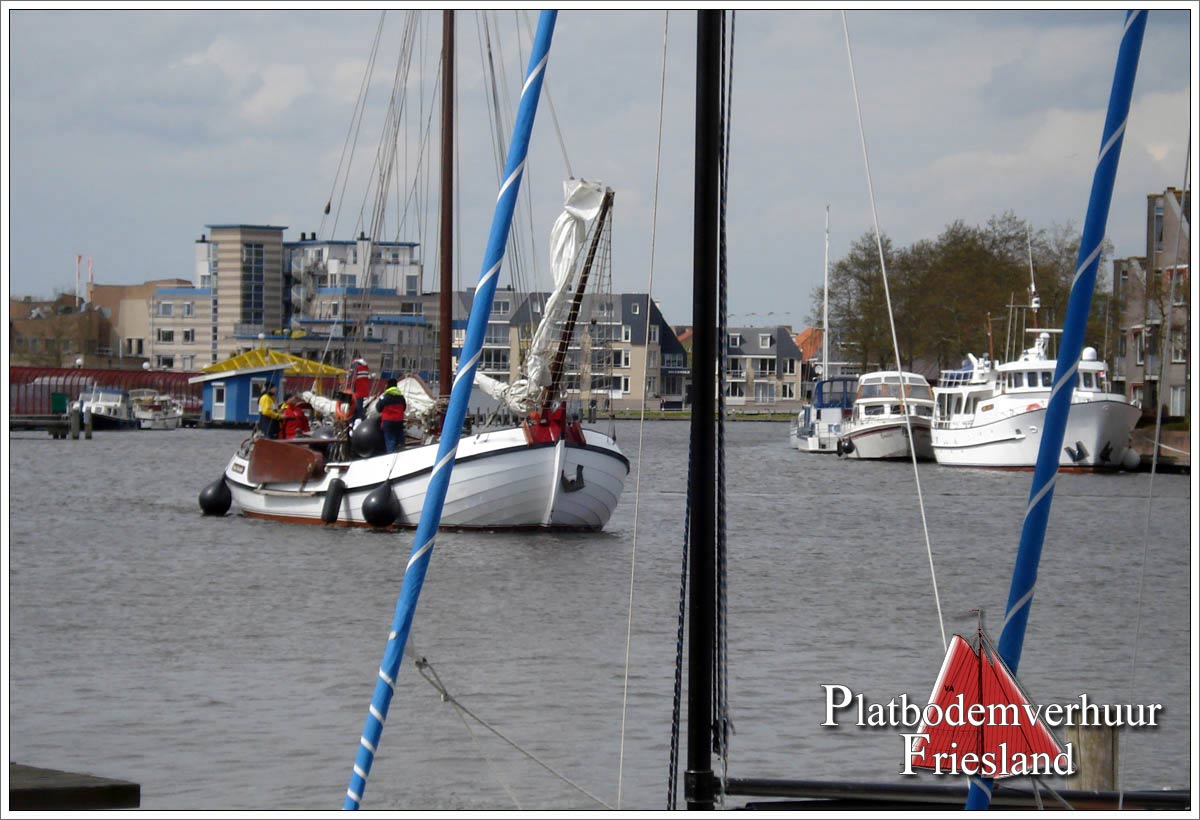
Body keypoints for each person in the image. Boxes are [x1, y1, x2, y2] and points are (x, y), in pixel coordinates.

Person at [377, 378, 408, 454]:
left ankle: (390, 457)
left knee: (390, 441)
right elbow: (404, 408)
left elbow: (378, 408)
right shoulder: (401, 397)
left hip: (388, 422)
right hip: (399, 422)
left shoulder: (385, 397)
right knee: (400, 441)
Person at [347, 352, 372, 419]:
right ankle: (360, 418)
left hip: (357, 389)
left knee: (355, 407)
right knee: (359, 406)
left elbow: (351, 377)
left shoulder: (355, 364)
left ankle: (356, 420)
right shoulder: (365, 365)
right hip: (364, 388)